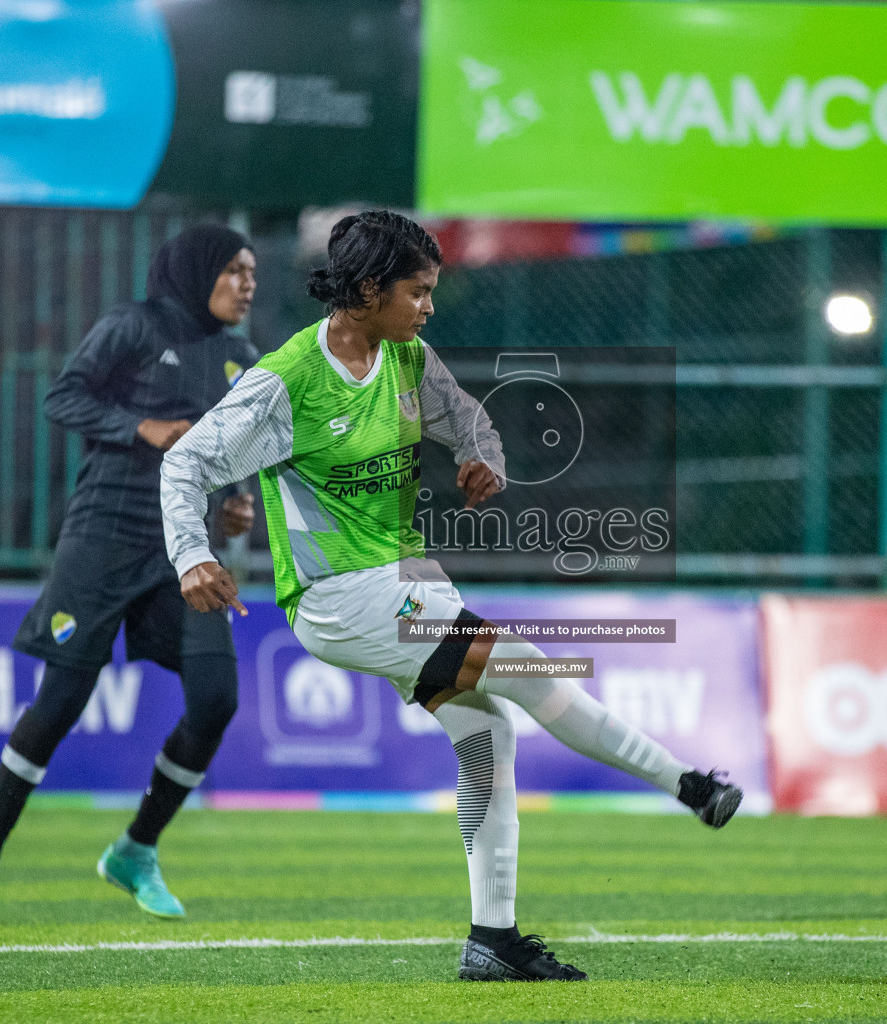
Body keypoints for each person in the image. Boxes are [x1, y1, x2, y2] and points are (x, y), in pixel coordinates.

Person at [160, 210, 742, 982]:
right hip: (338, 596)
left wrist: (481, 454)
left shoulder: (407, 355)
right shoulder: (286, 381)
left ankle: (491, 941)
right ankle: (690, 785)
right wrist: (192, 555)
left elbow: (465, 417)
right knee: (533, 670)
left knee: (487, 734)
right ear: (368, 289)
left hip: (402, 586)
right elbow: (185, 465)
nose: (429, 305)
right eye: (418, 290)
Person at [0, 224, 260, 924]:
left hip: (187, 552)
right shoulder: (134, 326)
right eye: (236, 269)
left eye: (253, 272)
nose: (248, 283)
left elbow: (235, 453)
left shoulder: (243, 357)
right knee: (59, 705)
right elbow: (64, 398)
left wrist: (237, 505)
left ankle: (135, 849)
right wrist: (141, 426)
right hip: (104, 539)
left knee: (217, 699)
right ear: (199, 269)